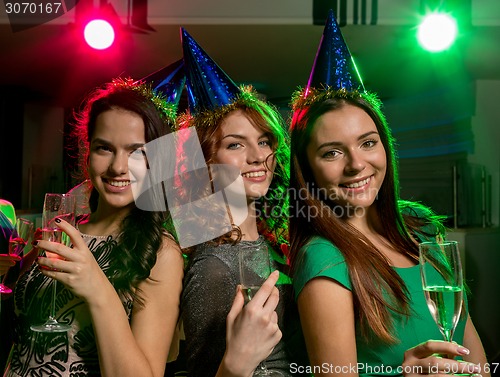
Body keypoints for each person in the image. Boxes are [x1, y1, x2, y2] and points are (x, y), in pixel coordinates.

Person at [288, 10, 489, 377]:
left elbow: (476, 360)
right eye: (331, 152)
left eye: (367, 142)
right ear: (308, 170)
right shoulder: (323, 258)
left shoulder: (425, 231)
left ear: (385, 148)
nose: (356, 164)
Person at [3, 63, 187, 377]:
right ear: (88, 154)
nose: (118, 167)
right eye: (105, 148)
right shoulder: (63, 233)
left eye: (136, 152)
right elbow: (22, 344)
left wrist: (98, 287)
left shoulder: (160, 252)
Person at [178, 28, 308, 377]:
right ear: (207, 162)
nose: (257, 156)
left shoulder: (273, 244)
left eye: (264, 142)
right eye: (235, 145)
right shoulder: (213, 268)